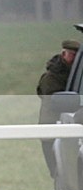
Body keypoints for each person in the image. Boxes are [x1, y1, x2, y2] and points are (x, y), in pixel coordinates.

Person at [36, 39, 80, 177]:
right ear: (63, 54)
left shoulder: (74, 73)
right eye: (70, 54)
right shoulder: (52, 77)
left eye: (75, 55)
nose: (72, 58)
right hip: (52, 128)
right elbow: (52, 101)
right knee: (58, 173)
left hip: (66, 126)